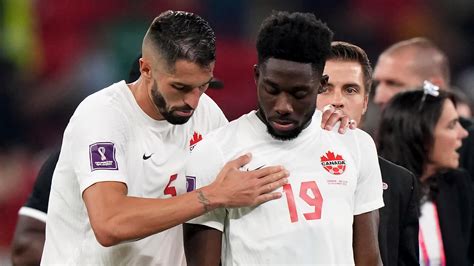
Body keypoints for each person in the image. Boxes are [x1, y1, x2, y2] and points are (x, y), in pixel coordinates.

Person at [41, 10, 290, 265]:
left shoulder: (207, 114)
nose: (193, 102)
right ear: (146, 68)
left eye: (203, 85)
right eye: (180, 87)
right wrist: (211, 196)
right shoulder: (103, 116)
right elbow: (109, 223)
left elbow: (248, 179)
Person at [183, 11, 384, 265]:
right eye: (272, 89)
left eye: (299, 93)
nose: (283, 106)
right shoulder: (215, 152)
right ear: (257, 76)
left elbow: (369, 259)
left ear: (321, 85)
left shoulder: (355, 145)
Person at [316, 41, 419, 266]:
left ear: (364, 103)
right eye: (325, 88)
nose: (337, 101)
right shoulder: (280, 164)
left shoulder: (400, 182)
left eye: (350, 90)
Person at [377, 87, 473, 265]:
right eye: (451, 125)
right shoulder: (378, 192)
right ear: (420, 134)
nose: (463, 133)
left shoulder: (457, 185)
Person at [369, 37, 474, 186]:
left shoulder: (469, 146)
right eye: (378, 84)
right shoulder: (373, 144)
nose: (379, 97)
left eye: (393, 83)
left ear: (434, 87)